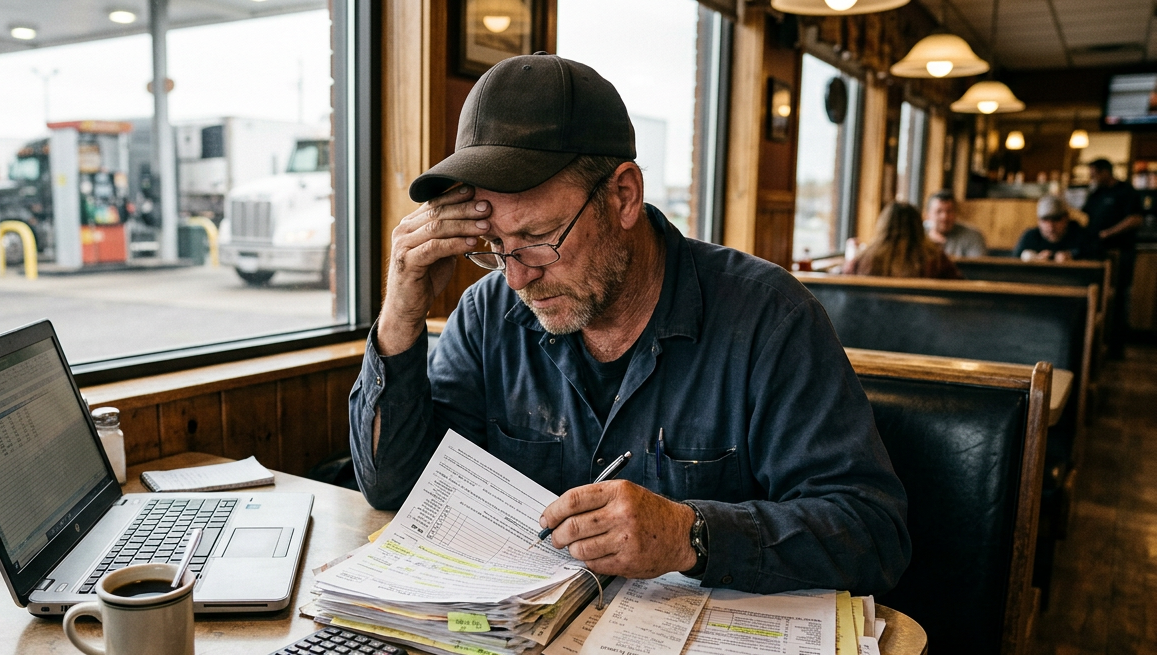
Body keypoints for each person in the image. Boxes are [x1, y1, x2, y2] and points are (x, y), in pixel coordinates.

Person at [349, 54, 910, 595]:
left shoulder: (769, 319)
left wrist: (690, 535)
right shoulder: (487, 315)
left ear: (623, 195)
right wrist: (401, 308)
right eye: (495, 247)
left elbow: (871, 532)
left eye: (539, 241)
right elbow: (393, 487)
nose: (516, 279)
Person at [1083, 158, 1143, 355]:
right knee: (1097, 297)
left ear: (1105, 172)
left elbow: (1136, 219)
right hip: (1095, 252)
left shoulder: (1126, 191)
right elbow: (1085, 216)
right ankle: (1097, 346)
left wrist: (1108, 233)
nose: (1092, 178)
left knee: (1118, 297)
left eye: (1094, 174)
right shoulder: (1096, 193)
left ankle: (1116, 347)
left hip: (1120, 251)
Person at [846, 202, 962, 279]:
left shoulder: (863, 260)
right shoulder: (937, 260)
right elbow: (960, 291)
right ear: (918, 227)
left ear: (882, 226)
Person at [1013, 195, 1098, 262]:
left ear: (1066, 218)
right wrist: (1033, 258)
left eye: (1056, 219)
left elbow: (1098, 259)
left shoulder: (1081, 235)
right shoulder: (1030, 237)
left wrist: (1073, 256)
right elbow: (1013, 264)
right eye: (1045, 220)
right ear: (1038, 221)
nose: (1051, 226)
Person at [923, 189, 987, 257]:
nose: (944, 217)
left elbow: (977, 266)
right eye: (939, 211)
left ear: (956, 213)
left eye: (949, 211)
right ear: (927, 215)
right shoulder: (918, 234)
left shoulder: (973, 236)